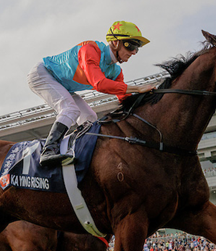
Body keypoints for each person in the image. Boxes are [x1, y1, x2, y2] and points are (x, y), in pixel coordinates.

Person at [27, 21, 157, 166]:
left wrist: (151, 99)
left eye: (136, 48)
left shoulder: (116, 72)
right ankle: (48, 152)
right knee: (70, 109)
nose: (133, 52)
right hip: (42, 74)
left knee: (90, 117)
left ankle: (77, 151)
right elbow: (99, 83)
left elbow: (125, 99)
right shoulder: (90, 50)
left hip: (63, 85)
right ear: (115, 42)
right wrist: (138, 88)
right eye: (130, 45)